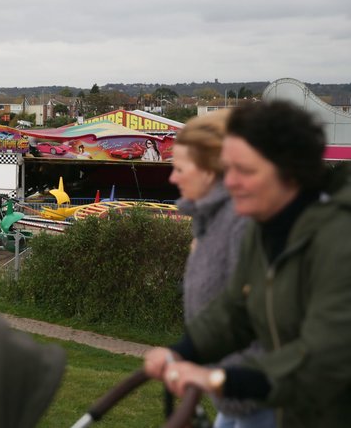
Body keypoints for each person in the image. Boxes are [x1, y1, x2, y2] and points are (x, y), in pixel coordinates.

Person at [144, 101, 351, 428]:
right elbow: (235, 308)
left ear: (291, 172)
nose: (232, 182)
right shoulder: (264, 225)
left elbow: (325, 360)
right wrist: (183, 351)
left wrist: (219, 378)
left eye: (246, 171)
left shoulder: (339, 239)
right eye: (229, 169)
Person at [169, 109, 274, 427]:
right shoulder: (210, 222)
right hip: (236, 395)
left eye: (179, 168)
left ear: (211, 171)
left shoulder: (243, 223)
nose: (172, 178)